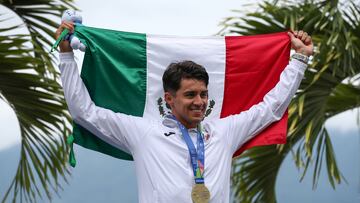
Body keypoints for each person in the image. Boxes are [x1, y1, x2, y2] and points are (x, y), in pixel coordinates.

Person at [56, 22, 313, 203]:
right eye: (190, 95)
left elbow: (271, 108)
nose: (199, 102)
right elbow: (84, 112)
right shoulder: (143, 132)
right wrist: (67, 57)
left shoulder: (224, 132)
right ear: (169, 98)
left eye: (203, 94)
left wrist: (299, 60)